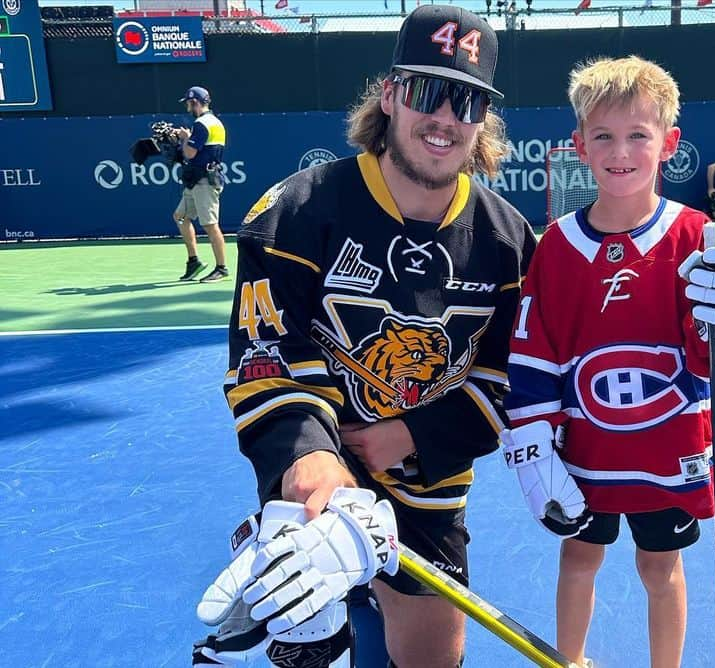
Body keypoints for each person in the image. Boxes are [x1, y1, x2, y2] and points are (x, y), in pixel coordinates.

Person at [193, 6, 535, 667]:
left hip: (428, 487)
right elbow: (268, 362)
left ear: (482, 120)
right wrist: (314, 464)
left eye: (466, 102)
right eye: (429, 92)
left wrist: (408, 436)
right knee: (305, 632)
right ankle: (305, 630)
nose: (445, 118)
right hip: (318, 480)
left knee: (436, 657)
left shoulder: (509, 243)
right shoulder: (295, 212)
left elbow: (508, 380)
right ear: (390, 95)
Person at [500, 56, 715, 668]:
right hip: (586, 450)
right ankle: (570, 660)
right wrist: (533, 438)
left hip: (667, 448)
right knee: (580, 557)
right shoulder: (557, 247)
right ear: (579, 146)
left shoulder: (696, 237)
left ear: (668, 143)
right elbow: (534, 348)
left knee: (659, 565)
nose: (621, 151)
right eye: (604, 136)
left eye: (638, 135)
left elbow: (709, 363)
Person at [174, 86, 230, 283]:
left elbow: (189, 153)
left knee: (210, 225)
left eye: (188, 103)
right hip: (197, 180)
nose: (188, 107)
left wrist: (184, 138)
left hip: (204, 181)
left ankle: (222, 268)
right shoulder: (214, 122)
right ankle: (194, 261)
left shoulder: (201, 124)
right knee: (181, 216)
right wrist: (189, 138)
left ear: (195, 102)